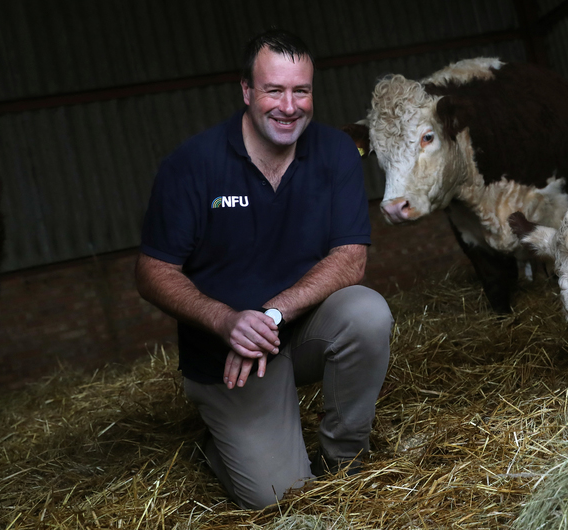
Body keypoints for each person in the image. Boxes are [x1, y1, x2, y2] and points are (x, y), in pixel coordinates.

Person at [135, 29, 392, 510]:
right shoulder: (193, 165)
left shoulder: (335, 152)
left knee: (367, 312)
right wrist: (227, 321)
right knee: (280, 498)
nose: (290, 106)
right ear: (247, 91)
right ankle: (229, 445)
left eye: (302, 90)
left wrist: (272, 313)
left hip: (297, 329)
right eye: (274, 90)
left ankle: (344, 465)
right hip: (229, 356)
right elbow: (152, 271)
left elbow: (351, 257)